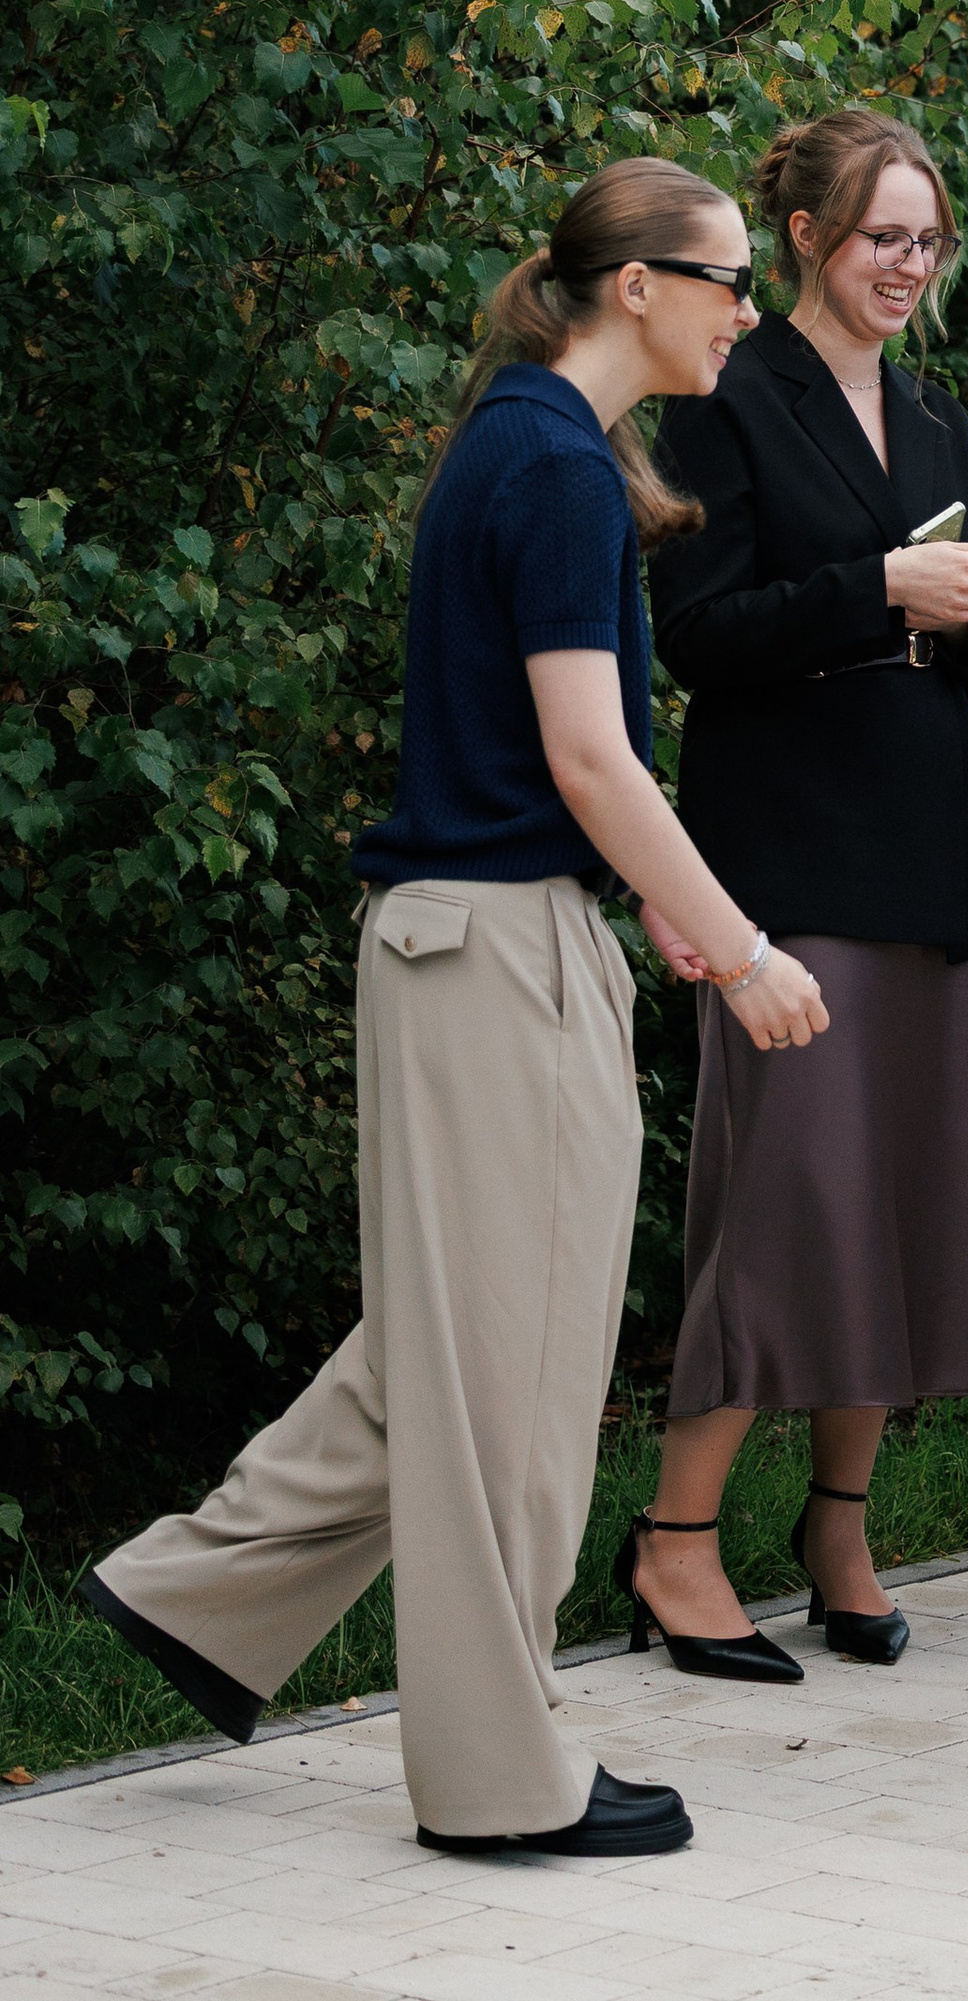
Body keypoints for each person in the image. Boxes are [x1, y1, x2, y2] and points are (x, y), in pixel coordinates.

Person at [79, 160, 828, 1857]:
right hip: (494, 952)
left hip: (464, 940)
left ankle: (199, 1595)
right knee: (521, 1367)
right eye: (723, 277)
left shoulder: (526, 440)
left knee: (454, 1332)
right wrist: (743, 943)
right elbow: (586, 753)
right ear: (633, 283)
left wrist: (654, 904)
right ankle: (498, 1780)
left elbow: (544, 751)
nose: (745, 308)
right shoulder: (555, 463)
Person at [640, 109, 968, 1670]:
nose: (909, 267)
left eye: (928, 241)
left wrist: (963, 608)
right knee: (788, 1209)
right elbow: (696, 632)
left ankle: (839, 1523)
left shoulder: (933, 421)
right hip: (785, 858)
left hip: (926, 851)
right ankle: (671, 1543)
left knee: (909, 1206)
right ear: (806, 235)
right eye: (884, 237)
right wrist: (878, 588)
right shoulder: (726, 402)